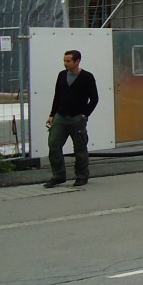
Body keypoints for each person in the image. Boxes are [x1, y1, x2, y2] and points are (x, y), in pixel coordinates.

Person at [44, 50, 100, 188]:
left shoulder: (87, 77)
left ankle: (81, 176)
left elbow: (94, 99)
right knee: (54, 144)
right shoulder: (62, 75)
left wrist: (85, 114)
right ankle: (58, 175)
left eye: (68, 61)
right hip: (61, 116)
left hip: (77, 118)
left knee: (79, 148)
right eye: (64, 61)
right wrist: (52, 114)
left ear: (77, 61)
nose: (65, 64)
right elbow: (57, 96)